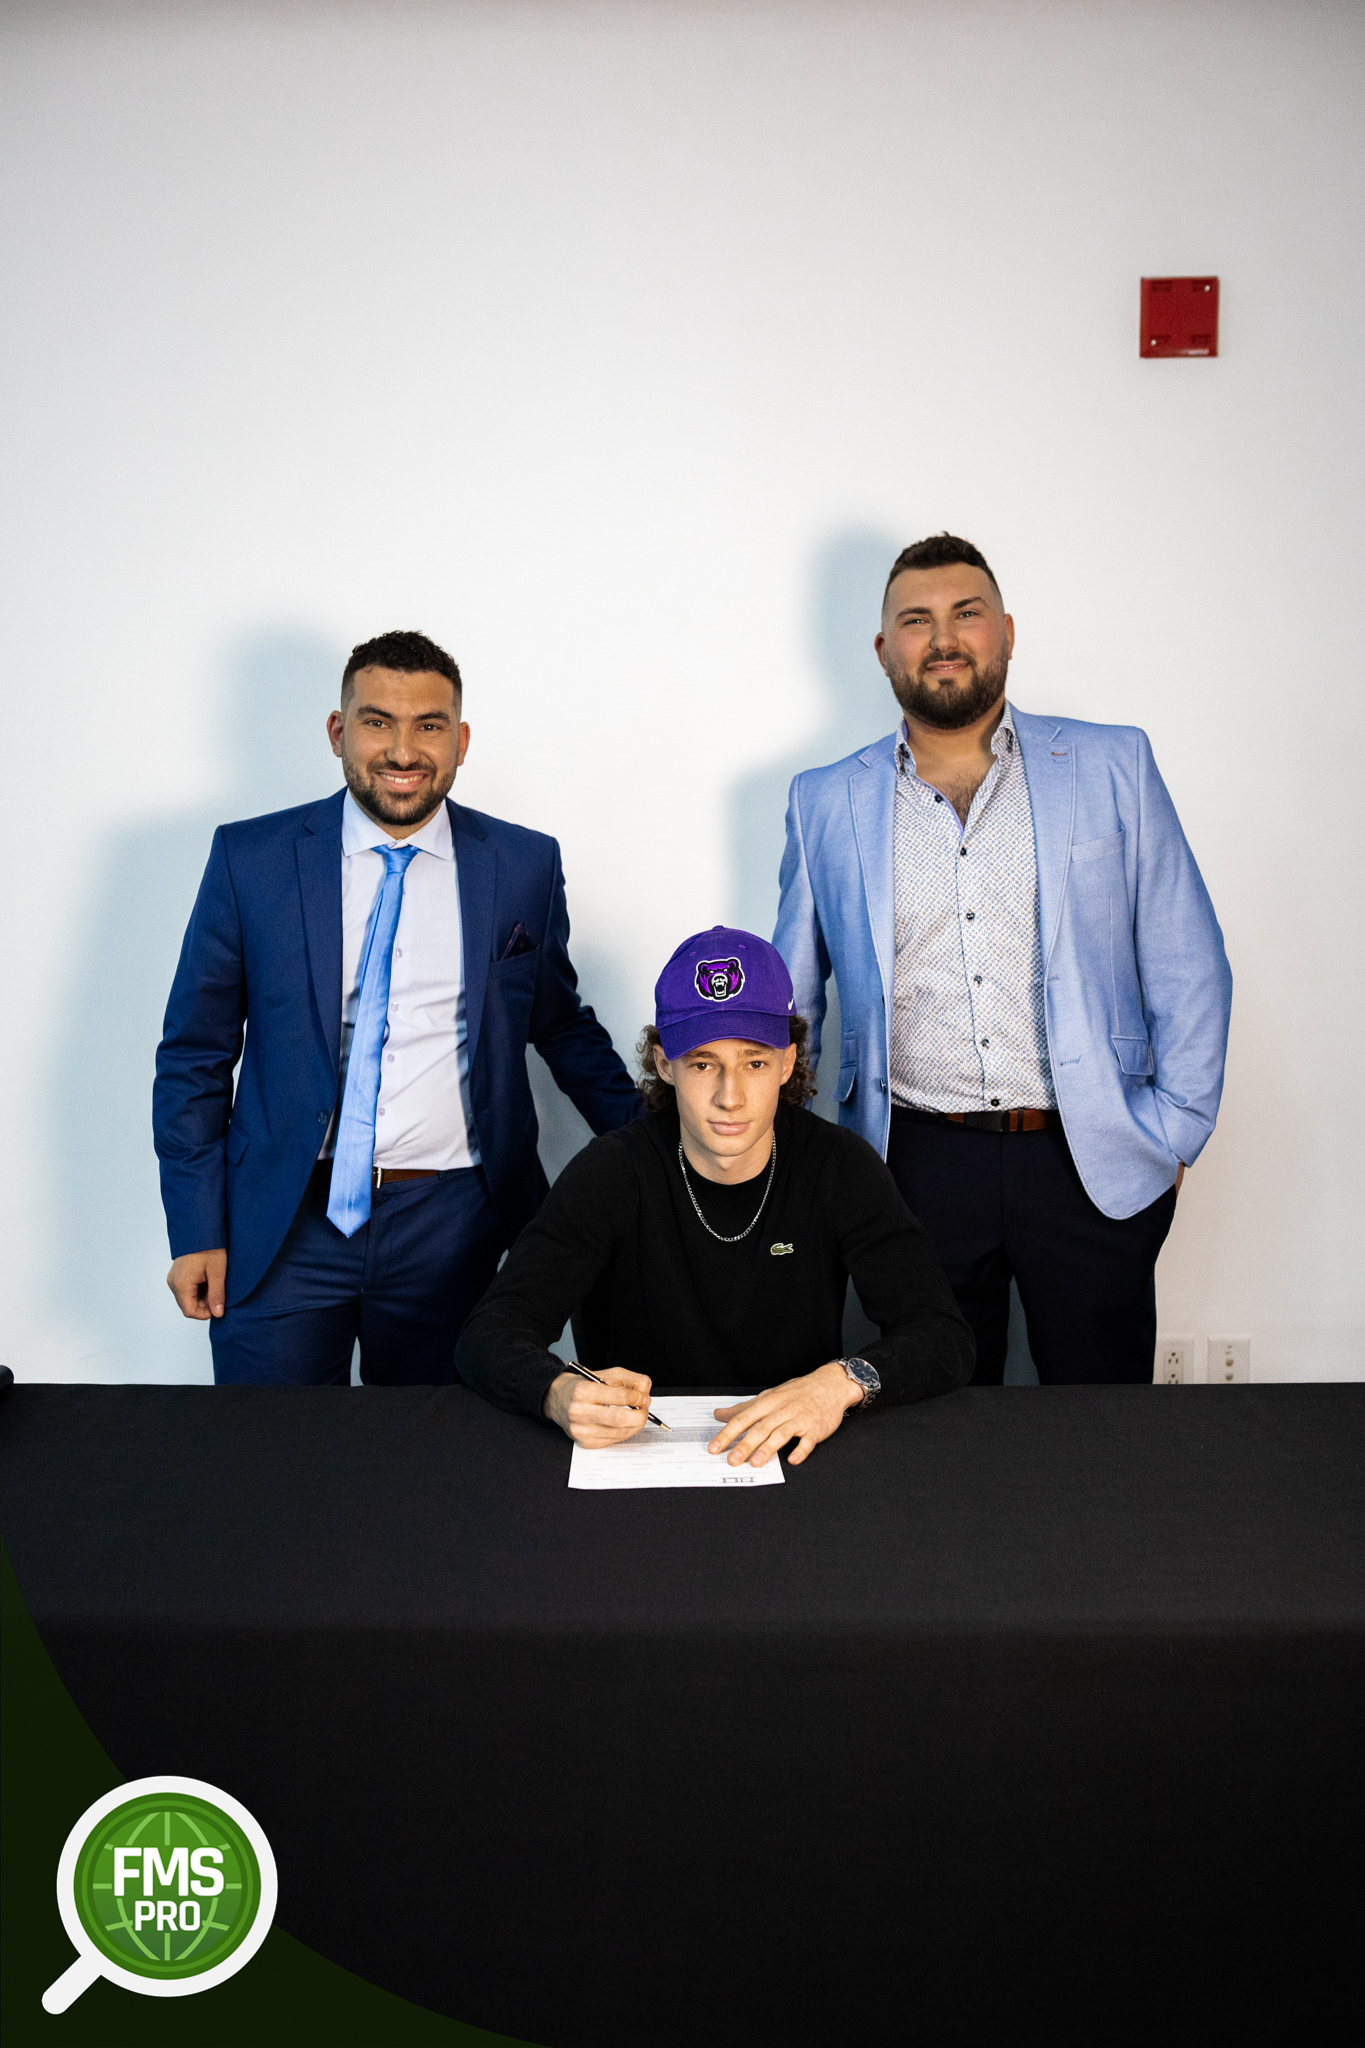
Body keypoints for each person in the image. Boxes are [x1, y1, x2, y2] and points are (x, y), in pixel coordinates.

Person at [774, 533, 1233, 1385]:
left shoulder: (1112, 764)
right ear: (883, 649)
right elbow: (791, 1001)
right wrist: (799, 1164)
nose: (943, 638)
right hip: (909, 1163)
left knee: (1102, 1419)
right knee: (933, 1417)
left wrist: (1173, 1132)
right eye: (916, 620)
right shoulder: (822, 800)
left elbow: (1188, 962)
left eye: (966, 614)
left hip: (1087, 1153)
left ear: (1007, 632)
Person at [154, 629, 641, 1385]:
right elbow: (195, 1054)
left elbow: (561, 1027)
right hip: (281, 1222)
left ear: (461, 741)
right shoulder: (251, 860)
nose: (402, 751)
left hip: (454, 1224)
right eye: (377, 722)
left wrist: (665, 1146)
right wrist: (195, 1227)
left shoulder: (522, 865)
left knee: (437, 1448)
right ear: (337, 731)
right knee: (266, 1447)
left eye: (429, 725)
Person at [454, 926, 972, 1467]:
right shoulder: (610, 1172)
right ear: (665, 1065)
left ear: (788, 1063)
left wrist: (839, 1384)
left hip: (790, 1459)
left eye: (755, 1062)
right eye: (704, 1064)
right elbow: (489, 1332)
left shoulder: (839, 1166)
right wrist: (554, 1391)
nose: (730, 1096)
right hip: (637, 1459)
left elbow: (941, 1333)